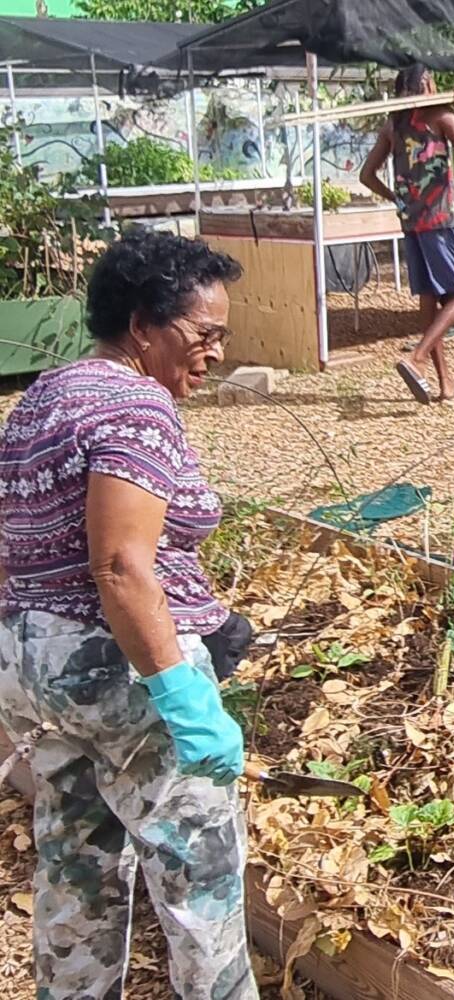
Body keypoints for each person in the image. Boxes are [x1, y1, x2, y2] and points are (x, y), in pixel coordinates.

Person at [0, 230, 258, 998]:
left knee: (76, 867)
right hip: (122, 674)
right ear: (143, 325)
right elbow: (119, 566)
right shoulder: (138, 406)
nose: (214, 353)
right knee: (198, 882)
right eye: (203, 334)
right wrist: (183, 697)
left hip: (38, 673)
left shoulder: (41, 396)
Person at [360, 64, 454, 404]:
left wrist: (398, 198)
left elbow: (366, 175)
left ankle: (446, 383)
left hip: (411, 222)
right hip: (441, 220)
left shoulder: (393, 125)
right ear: (428, 83)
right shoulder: (441, 116)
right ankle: (416, 359)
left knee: (429, 298)